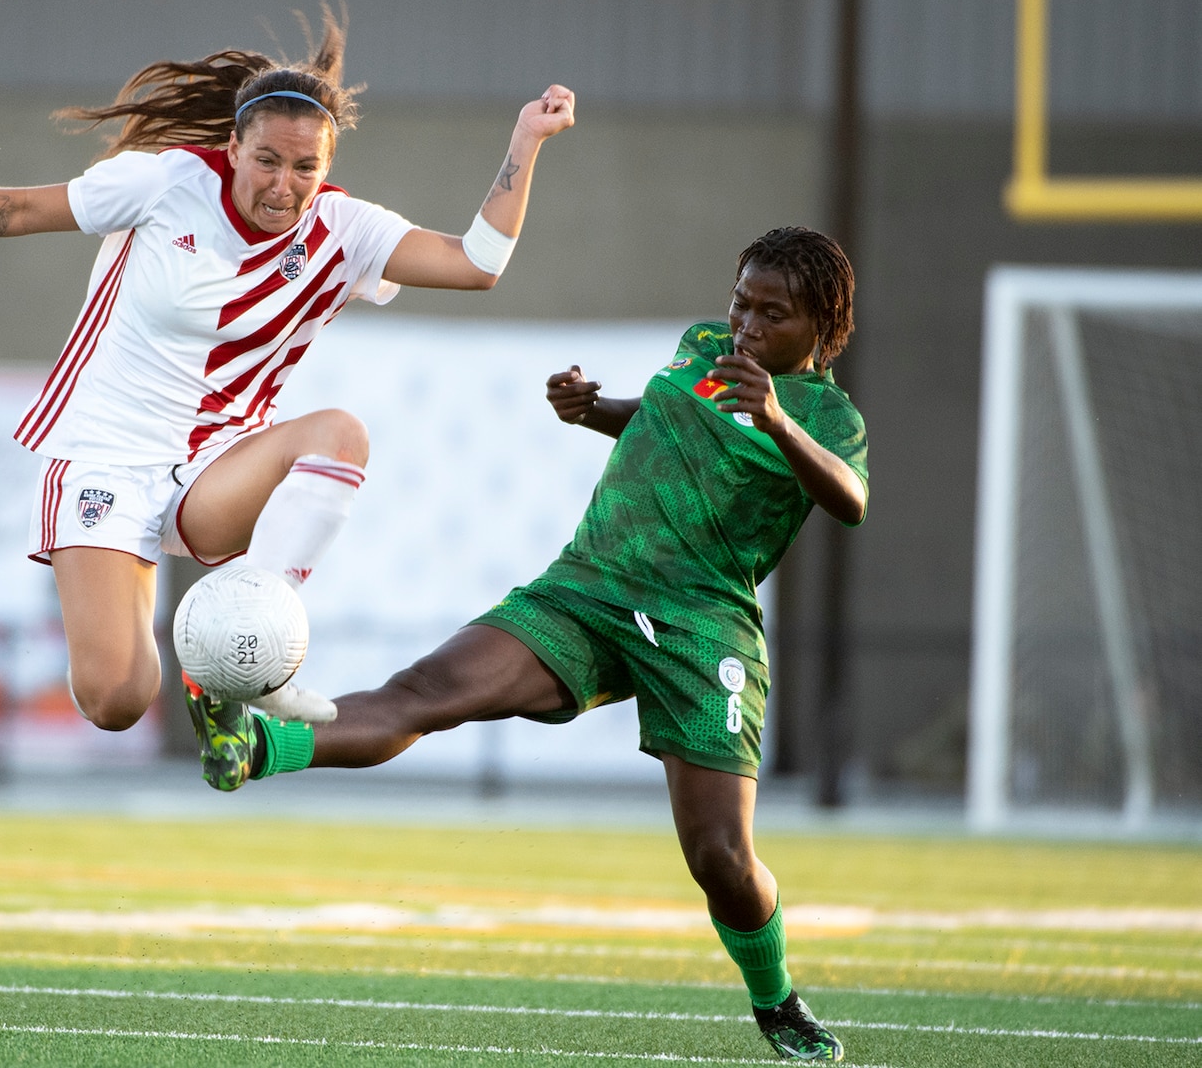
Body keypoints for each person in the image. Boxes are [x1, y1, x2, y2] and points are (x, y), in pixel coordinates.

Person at [188, 227, 867, 1062]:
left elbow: (850, 500)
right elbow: (667, 428)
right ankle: (251, 743)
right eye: (741, 301)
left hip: (701, 628)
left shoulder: (828, 413)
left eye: (773, 313)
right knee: (425, 693)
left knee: (722, 859)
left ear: (821, 327)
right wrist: (597, 411)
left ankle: (777, 1001)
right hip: (589, 589)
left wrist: (777, 422)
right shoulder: (701, 346)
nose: (745, 325)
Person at [0, 7, 575, 734]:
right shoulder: (166, 182)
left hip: (215, 468)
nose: (283, 184)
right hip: (103, 455)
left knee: (340, 434)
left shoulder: (346, 230)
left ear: (328, 163)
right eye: (266, 160)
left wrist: (524, 142)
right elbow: (23, 209)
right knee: (117, 699)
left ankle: (246, 648)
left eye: (304, 167)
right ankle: (207, 665)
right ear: (234, 148)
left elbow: (477, 264)